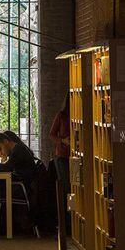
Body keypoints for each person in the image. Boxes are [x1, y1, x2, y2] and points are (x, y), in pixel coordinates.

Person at [0, 131, 36, 234]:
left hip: (20, 189)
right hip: (16, 185)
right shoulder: (17, 149)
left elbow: (7, 168)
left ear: (6, 142)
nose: (0, 154)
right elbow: (8, 167)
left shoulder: (19, 150)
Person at [49, 92, 71, 231]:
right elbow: (51, 134)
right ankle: (67, 223)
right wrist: (63, 141)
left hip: (75, 157)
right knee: (67, 190)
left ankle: (72, 221)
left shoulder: (79, 114)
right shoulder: (61, 116)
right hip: (62, 156)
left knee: (73, 190)